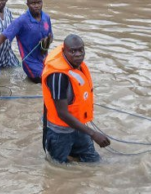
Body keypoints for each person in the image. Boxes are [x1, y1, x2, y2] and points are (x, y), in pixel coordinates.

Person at [42, 35, 110, 164]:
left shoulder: (77, 66)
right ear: (64, 52)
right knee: (58, 168)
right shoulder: (58, 76)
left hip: (78, 127)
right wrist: (93, 134)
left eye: (81, 50)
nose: (78, 54)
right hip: (60, 133)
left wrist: (89, 132)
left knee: (94, 162)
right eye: (73, 51)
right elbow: (62, 113)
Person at [0, 0, 53, 83]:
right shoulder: (21, 21)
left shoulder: (46, 18)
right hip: (30, 63)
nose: (36, 6)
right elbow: (2, 37)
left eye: (38, 2)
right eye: (33, 3)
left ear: (42, 2)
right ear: (27, 4)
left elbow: (51, 36)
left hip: (44, 59)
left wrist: (47, 42)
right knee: (47, 81)